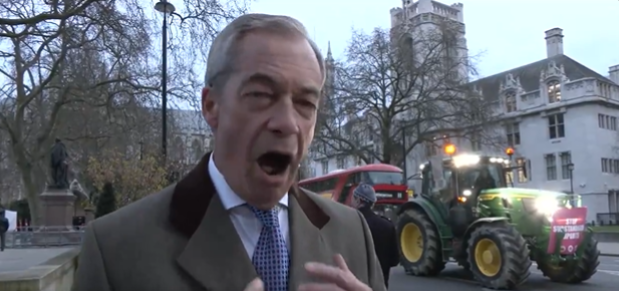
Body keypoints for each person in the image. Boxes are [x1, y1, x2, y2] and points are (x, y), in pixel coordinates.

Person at [74, 13, 385, 291]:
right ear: (211, 106)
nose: (288, 123)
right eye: (262, 95)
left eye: (305, 104)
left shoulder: (352, 232)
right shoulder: (115, 248)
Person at [351, 184, 400, 289]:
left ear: (358, 200)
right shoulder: (387, 225)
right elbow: (394, 260)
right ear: (372, 204)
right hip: (380, 285)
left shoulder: (350, 224)